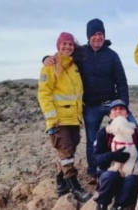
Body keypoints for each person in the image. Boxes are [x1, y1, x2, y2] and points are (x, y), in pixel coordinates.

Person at [43, 18, 137, 184]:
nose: (97, 37)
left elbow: (121, 81)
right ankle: (94, 171)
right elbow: (63, 55)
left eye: (100, 34)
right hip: (91, 106)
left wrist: (124, 105)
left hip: (111, 103)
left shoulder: (112, 55)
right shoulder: (81, 53)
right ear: (88, 36)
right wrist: (46, 59)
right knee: (92, 141)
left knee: (131, 129)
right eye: (94, 34)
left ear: (104, 35)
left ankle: (134, 166)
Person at [38, 32, 91, 202]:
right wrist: (52, 118)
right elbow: (44, 94)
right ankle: (75, 188)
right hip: (59, 120)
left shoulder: (74, 65)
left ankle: (61, 183)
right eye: (64, 44)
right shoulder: (50, 66)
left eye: (70, 44)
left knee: (69, 152)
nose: (67, 47)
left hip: (73, 119)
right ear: (58, 46)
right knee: (66, 153)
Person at [93, 99, 138, 210]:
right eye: (115, 109)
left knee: (132, 180)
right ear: (110, 115)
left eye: (121, 109)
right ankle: (102, 204)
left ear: (127, 113)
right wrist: (113, 155)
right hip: (109, 171)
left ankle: (119, 206)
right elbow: (96, 159)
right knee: (109, 176)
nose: (118, 111)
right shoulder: (104, 133)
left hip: (131, 171)